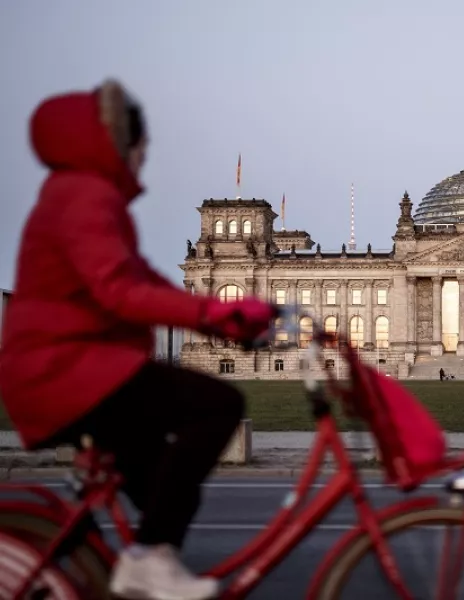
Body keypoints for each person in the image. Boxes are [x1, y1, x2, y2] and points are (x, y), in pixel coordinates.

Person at [0, 80, 277, 600]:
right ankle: (146, 563)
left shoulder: (88, 199)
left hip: (71, 372)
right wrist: (215, 312)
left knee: (166, 497)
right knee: (218, 404)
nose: (145, 152)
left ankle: (110, 564)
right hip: (67, 375)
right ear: (110, 141)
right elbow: (119, 289)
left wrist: (221, 315)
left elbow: (142, 280)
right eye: (138, 139)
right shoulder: (83, 197)